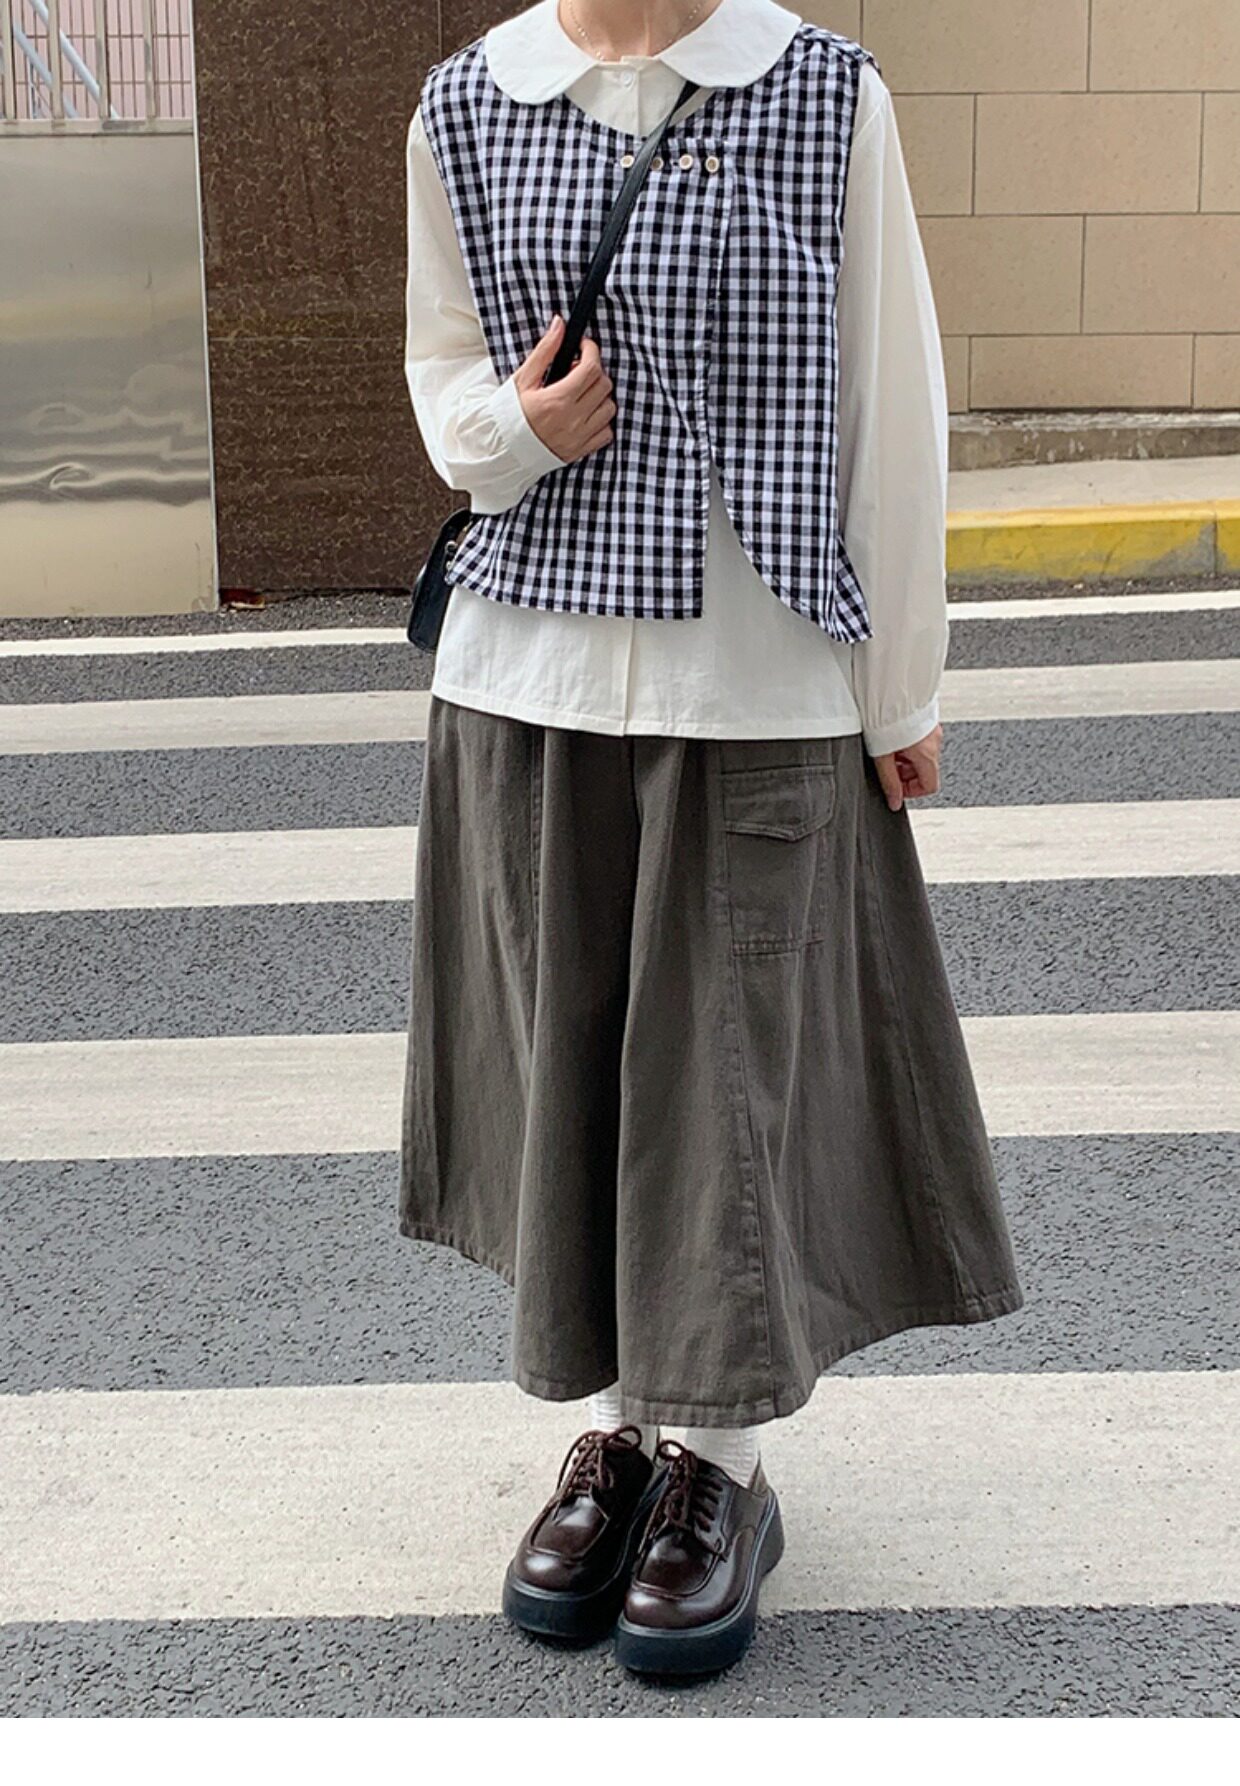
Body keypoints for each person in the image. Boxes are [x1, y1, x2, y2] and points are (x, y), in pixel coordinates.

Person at [399, 0, 1024, 1679]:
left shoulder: (823, 96)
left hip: (755, 678)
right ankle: (620, 1436)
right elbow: (440, 370)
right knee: (574, 1073)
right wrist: (514, 433)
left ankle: (721, 1467)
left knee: (728, 1080)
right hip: (527, 681)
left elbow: (892, 403)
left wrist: (898, 690)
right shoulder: (466, 104)